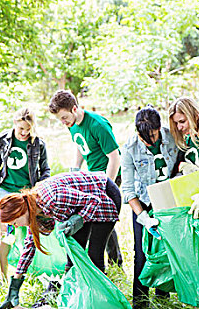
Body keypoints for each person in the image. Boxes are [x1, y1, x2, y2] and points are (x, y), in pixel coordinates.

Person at [0, 171, 121, 309]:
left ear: (21, 211)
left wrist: (78, 219)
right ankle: (74, 299)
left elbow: (93, 201)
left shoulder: (53, 198)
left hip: (103, 194)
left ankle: (102, 301)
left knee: (94, 256)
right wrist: (14, 288)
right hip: (81, 205)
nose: (16, 226)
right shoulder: (33, 211)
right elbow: (29, 248)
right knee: (73, 257)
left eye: (15, 222)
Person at [48, 90, 123, 266]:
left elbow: (115, 157)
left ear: (74, 109)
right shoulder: (72, 124)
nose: (63, 122)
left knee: (103, 215)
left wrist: (106, 186)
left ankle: (115, 261)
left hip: (108, 175)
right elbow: (80, 145)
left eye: (64, 117)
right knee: (98, 216)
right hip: (91, 177)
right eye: (60, 119)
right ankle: (108, 259)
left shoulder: (97, 125)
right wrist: (75, 169)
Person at [121, 105, 178, 308]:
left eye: (153, 136)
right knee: (142, 253)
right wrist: (143, 217)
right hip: (144, 203)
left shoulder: (173, 136)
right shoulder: (129, 148)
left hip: (169, 200)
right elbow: (127, 189)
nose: (150, 141)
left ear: (159, 128)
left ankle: (164, 297)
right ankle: (140, 301)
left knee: (167, 250)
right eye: (146, 138)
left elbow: (181, 162)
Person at [0, 108, 51, 282]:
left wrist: (40, 184)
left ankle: (26, 273)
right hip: (6, 192)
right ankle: (3, 276)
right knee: (7, 235)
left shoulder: (39, 144)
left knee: (29, 235)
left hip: (27, 195)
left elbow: (45, 170)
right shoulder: (3, 139)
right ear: (14, 123)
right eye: (21, 128)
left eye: (28, 129)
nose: (24, 133)